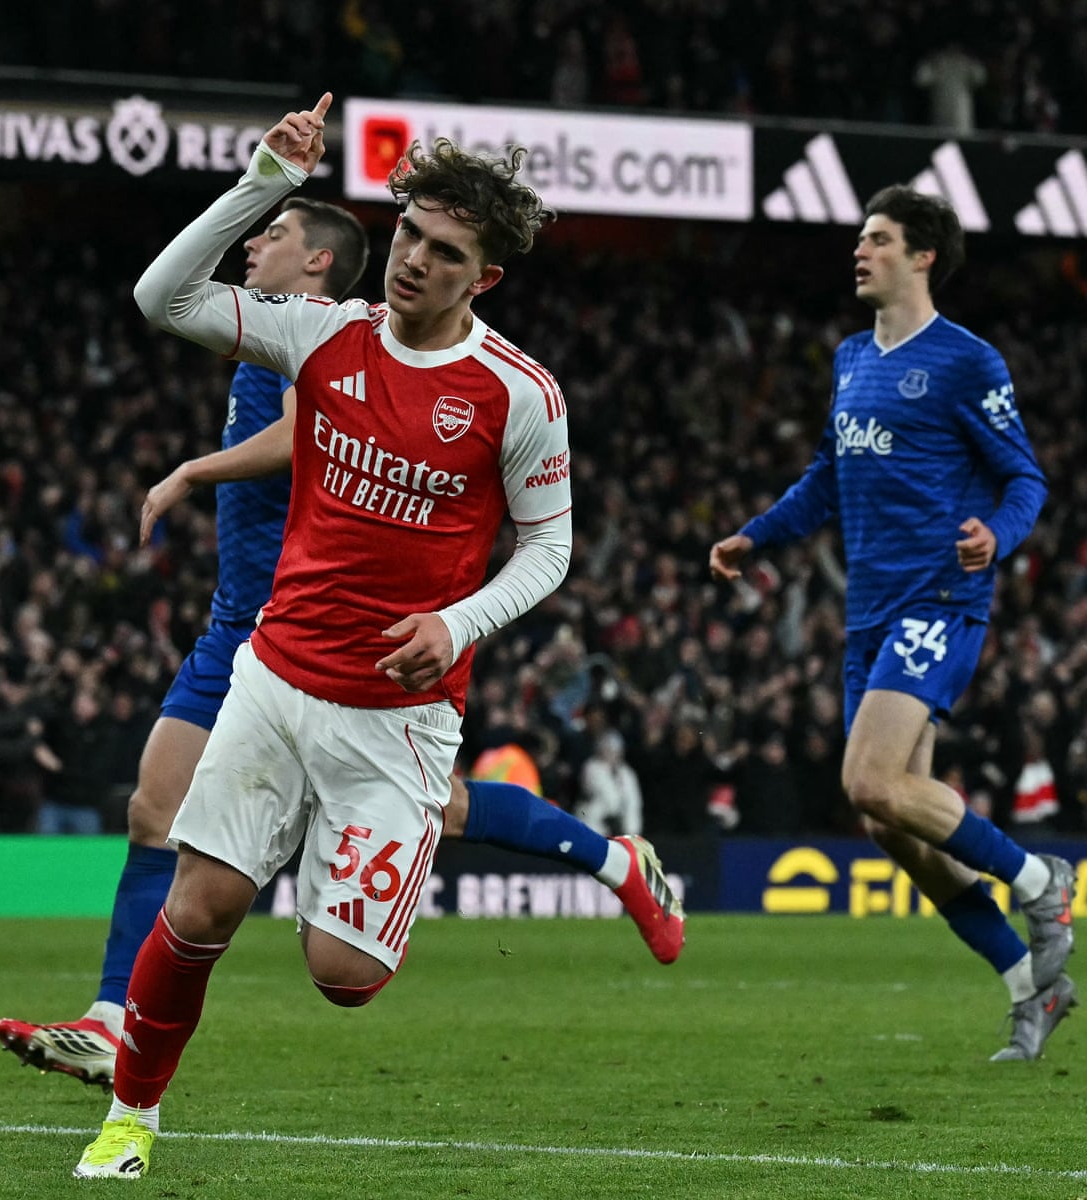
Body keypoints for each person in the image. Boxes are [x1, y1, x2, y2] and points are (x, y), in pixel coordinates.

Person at [64, 92, 676, 1178]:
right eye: (409, 235)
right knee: (199, 907)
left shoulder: (518, 394)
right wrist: (266, 180)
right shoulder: (324, 334)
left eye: (445, 254)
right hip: (274, 676)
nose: (414, 262)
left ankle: (387, 848)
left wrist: (456, 620)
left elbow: (550, 548)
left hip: (398, 713)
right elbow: (163, 297)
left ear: (484, 278)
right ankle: (130, 1121)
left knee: (343, 975)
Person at [710, 183, 1075, 1063]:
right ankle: (1032, 988)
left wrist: (998, 535)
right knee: (887, 825)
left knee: (871, 783)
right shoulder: (850, 358)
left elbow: (1024, 477)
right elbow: (828, 477)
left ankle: (1040, 878)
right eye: (861, 238)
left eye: (877, 238)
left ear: (922, 256)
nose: (859, 250)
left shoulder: (966, 361)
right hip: (869, 612)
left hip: (939, 597)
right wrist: (758, 534)